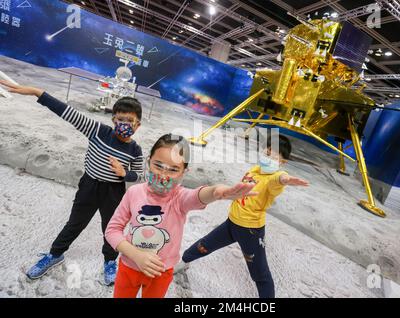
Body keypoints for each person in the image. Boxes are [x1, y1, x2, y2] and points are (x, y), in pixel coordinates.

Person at [0, 80, 144, 285]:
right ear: (113, 119)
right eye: (121, 119)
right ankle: (55, 254)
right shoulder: (98, 131)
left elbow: (139, 176)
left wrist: (124, 173)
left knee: (111, 228)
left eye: (130, 121)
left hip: (114, 192)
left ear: (138, 124)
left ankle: (110, 261)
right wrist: (36, 92)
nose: (125, 125)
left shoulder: (135, 150)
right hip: (89, 185)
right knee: (75, 223)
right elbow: (67, 112)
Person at [105, 134, 258, 298]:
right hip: (129, 266)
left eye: (173, 170)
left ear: (184, 172)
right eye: (158, 165)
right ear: (148, 161)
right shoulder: (134, 192)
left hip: (161, 271)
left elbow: (197, 196)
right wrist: (136, 255)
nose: (163, 175)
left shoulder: (179, 198)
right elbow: (112, 230)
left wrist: (215, 192)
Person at [179, 134, 309, 298]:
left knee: (259, 272)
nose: (266, 156)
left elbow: (278, 180)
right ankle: (184, 261)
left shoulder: (273, 178)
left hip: (250, 231)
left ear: (282, 162)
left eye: (272, 155)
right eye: (266, 152)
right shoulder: (255, 170)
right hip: (231, 223)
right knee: (206, 243)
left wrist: (284, 178)